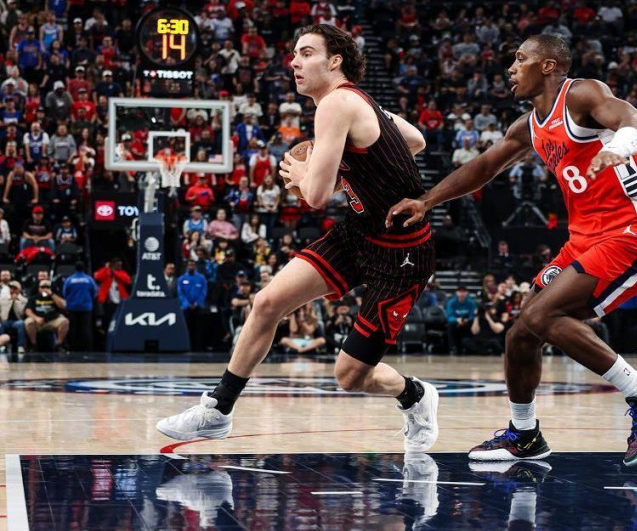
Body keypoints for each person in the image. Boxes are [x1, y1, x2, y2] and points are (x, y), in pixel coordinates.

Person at [387, 34, 637, 467]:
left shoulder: (581, 94)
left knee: (541, 316)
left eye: (520, 59)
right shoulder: (528, 125)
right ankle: (524, 435)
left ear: (548, 66)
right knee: (521, 334)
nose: (511, 68)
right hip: (585, 238)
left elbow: (636, 121)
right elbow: (484, 166)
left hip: (635, 229)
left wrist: (617, 149)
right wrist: (426, 201)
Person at [158, 24, 439, 454]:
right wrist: (355, 171)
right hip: (359, 234)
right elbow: (416, 140)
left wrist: (303, 173)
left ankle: (415, 395)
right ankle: (217, 409)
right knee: (267, 302)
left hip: (402, 254)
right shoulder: (357, 102)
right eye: (294, 54)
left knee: (350, 377)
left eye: (306, 53)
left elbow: (316, 197)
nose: (294, 62)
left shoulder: (336, 104)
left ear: (335, 61)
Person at [24, 279, 69, 352]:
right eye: (42, 287)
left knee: (65, 322)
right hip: (38, 321)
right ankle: (33, 345)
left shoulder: (55, 297)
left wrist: (51, 294)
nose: (44, 289)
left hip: (52, 321)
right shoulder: (34, 298)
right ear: (39, 288)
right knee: (28, 322)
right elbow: (27, 310)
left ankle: (59, 345)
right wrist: (36, 318)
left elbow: (63, 306)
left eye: (47, 287)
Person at [62, 261, 98, 351]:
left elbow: (64, 293)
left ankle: (73, 348)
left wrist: (70, 301)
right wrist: (89, 301)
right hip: (86, 307)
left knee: (73, 328)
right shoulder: (89, 279)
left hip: (72, 307)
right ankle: (87, 349)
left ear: (75, 268)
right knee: (86, 329)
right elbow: (95, 292)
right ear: (84, 268)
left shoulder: (69, 280)